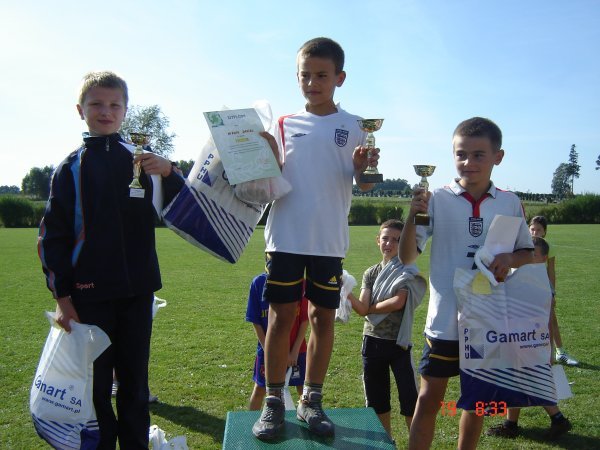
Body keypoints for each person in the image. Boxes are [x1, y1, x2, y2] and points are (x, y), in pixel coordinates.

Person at [37, 71, 184, 449]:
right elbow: (52, 237)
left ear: (125, 111)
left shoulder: (142, 161)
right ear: (80, 110)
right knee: (96, 389)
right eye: (97, 104)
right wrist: (63, 298)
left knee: (135, 385)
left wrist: (170, 171)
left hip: (137, 293)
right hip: (89, 295)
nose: (106, 111)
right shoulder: (70, 167)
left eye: (115, 105)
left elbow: (181, 208)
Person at [252, 37, 379, 440]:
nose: (312, 83)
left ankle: (311, 400)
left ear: (340, 78)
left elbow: (366, 184)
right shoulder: (283, 124)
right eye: (305, 75)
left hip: (328, 241)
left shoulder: (356, 126)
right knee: (280, 317)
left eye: (321, 75)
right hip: (285, 237)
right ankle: (274, 402)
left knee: (322, 318)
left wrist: (362, 168)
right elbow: (269, 176)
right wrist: (265, 153)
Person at [399, 117, 534, 450]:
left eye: (478, 155)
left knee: (478, 404)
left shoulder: (509, 201)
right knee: (428, 399)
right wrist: (412, 216)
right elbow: (407, 257)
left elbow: (527, 252)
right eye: (461, 154)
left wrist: (509, 259)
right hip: (444, 320)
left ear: (498, 157)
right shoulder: (436, 198)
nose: (468, 162)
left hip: (489, 319)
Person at [486, 236, 572, 440]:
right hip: (518, 339)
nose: (525, 258)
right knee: (516, 378)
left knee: (530, 379)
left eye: (532, 254)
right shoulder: (522, 278)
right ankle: (511, 423)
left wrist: (550, 348)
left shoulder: (540, 284)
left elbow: (548, 319)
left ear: (543, 259)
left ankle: (558, 418)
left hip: (529, 341)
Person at [346, 219, 427, 439]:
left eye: (397, 240)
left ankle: (415, 444)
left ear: (404, 243)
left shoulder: (406, 270)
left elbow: (398, 302)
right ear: (378, 240)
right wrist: (345, 291)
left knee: (409, 399)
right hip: (372, 342)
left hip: (399, 344)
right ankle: (385, 441)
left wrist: (370, 308)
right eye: (385, 238)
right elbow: (361, 308)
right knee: (377, 400)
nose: (389, 243)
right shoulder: (370, 273)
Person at [246, 273, 309, 410]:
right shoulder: (258, 283)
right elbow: (255, 320)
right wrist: (269, 351)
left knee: (304, 390)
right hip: (267, 350)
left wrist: (294, 352)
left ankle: (307, 416)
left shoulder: (301, 283)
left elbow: (305, 320)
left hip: (296, 351)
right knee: (260, 389)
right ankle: (250, 421)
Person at [529, 215, 578, 366]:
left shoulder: (548, 247)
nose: (535, 232)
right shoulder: (522, 244)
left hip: (542, 287)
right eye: (532, 229)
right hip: (525, 288)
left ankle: (560, 352)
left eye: (539, 230)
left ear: (544, 232)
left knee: (551, 319)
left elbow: (551, 271)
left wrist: (552, 293)